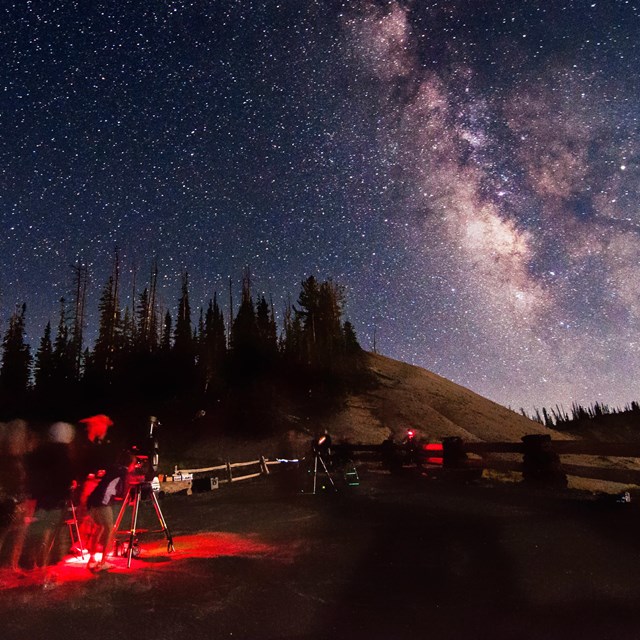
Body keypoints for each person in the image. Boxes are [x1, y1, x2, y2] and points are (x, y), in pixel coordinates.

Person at [85, 450, 136, 572]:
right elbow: (122, 492)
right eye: (134, 463)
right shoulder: (123, 472)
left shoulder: (114, 468)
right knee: (109, 529)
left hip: (92, 500)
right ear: (129, 463)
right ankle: (103, 562)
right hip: (102, 502)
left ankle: (91, 560)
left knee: (99, 528)